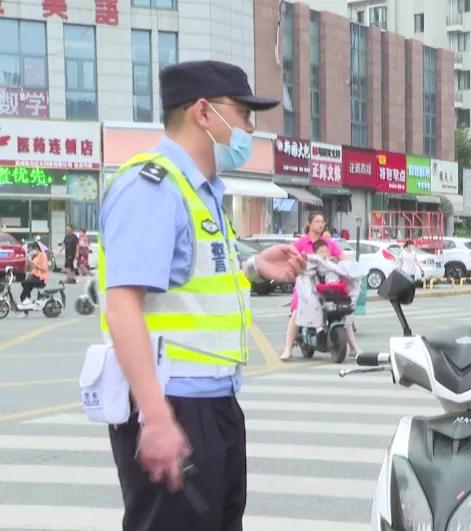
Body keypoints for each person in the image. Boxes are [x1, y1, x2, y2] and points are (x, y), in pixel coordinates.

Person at [98, 60, 304, 531]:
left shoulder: (205, 191)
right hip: (174, 403)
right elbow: (122, 304)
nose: (250, 127)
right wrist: (155, 418)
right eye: (244, 113)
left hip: (216, 403)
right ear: (205, 113)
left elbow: (189, 289)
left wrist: (253, 267)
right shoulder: (153, 187)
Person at [281, 212, 347, 360]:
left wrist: (342, 263)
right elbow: (290, 257)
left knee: (343, 309)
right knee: (297, 312)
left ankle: (354, 347)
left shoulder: (328, 243)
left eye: (323, 221)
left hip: (325, 284)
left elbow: (343, 257)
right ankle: (287, 348)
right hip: (305, 285)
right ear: (310, 224)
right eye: (317, 221)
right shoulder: (301, 243)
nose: (320, 224)